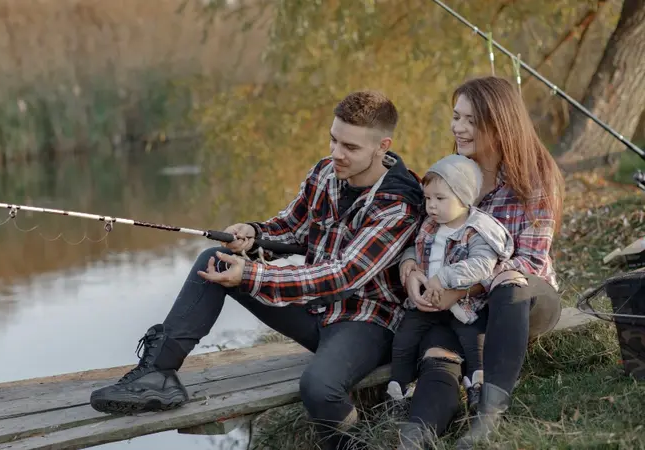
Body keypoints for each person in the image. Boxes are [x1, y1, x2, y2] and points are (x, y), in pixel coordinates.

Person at [88, 90, 425, 449]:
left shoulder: (399, 205)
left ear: (381, 145)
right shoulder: (326, 173)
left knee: (318, 387)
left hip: (368, 322)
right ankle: (157, 375)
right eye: (333, 139)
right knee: (215, 260)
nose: (336, 153)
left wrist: (250, 274)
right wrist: (254, 234)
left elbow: (342, 276)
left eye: (350, 147)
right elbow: (292, 226)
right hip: (317, 313)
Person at [394, 75, 565, 450]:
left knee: (509, 285)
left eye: (471, 120)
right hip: (464, 305)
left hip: (523, 299)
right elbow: (425, 235)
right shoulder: (454, 174)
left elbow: (529, 261)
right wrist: (413, 271)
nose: (459, 127)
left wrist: (459, 287)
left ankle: (488, 419)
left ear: (500, 122)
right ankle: (415, 435)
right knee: (439, 349)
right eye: (456, 117)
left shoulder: (535, 177)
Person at [386, 154, 514, 413]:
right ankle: (398, 392)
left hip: (465, 304)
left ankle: (478, 388)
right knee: (404, 340)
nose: (431, 206)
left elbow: (482, 265)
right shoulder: (431, 224)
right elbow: (414, 247)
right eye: (428, 198)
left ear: (464, 196)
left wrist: (444, 277)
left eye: (440, 198)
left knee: (474, 339)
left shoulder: (477, 230)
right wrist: (409, 264)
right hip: (426, 302)